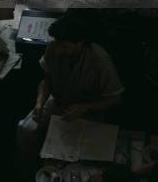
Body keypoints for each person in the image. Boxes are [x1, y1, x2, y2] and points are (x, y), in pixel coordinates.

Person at [17, 14, 123, 180]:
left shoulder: (100, 60)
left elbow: (114, 98)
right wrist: (39, 104)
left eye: (65, 46)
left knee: (75, 159)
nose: (59, 50)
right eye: (57, 44)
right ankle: (31, 171)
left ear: (80, 43)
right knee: (26, 129)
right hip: (59, 102)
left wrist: (86, 107)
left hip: (88, 112)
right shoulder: (53, 47)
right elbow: (46, 81)